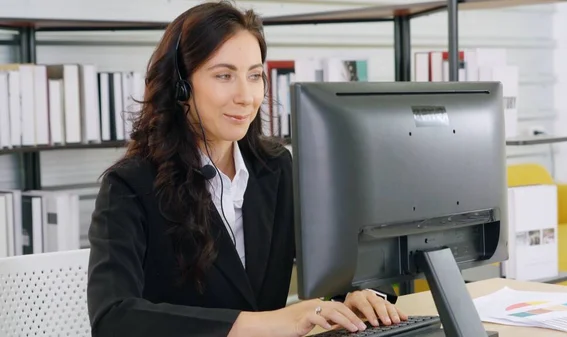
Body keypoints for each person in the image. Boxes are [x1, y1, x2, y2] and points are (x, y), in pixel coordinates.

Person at [86, 1, 407, 336]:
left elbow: (341, 266)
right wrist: (268, 322)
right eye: (224, 75)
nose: (246, 96)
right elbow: (113, 318)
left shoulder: (275, 169)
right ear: (181, 87)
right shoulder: (129, 186)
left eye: (254, 76)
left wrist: (361, 294)